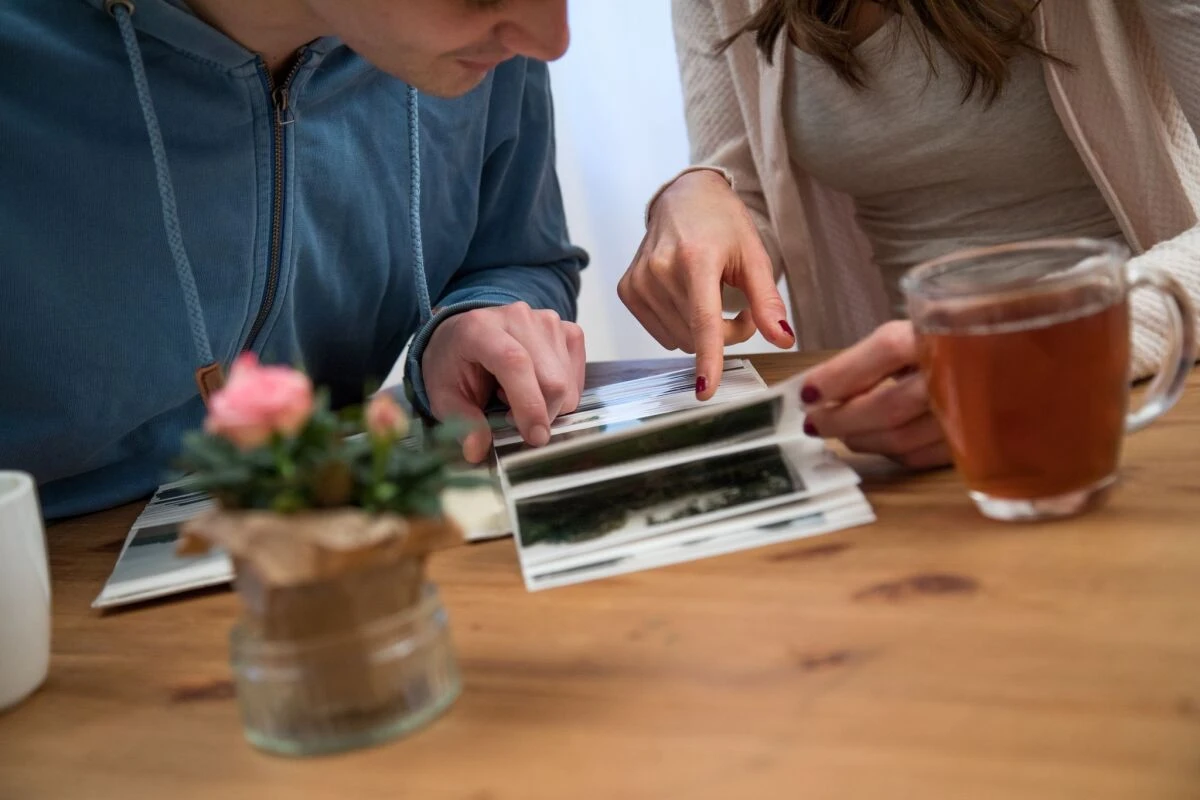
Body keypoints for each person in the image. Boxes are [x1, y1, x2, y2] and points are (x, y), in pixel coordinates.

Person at [0, 0, 589, 520]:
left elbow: (519, 258)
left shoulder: (478, 51)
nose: (551, 40)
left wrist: (473, 320)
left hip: (338, 531)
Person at [622, 0, 1200, 469]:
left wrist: (1058, 352)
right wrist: (696, 195)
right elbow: (745, 186)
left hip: (1140, 398)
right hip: (901, 432)